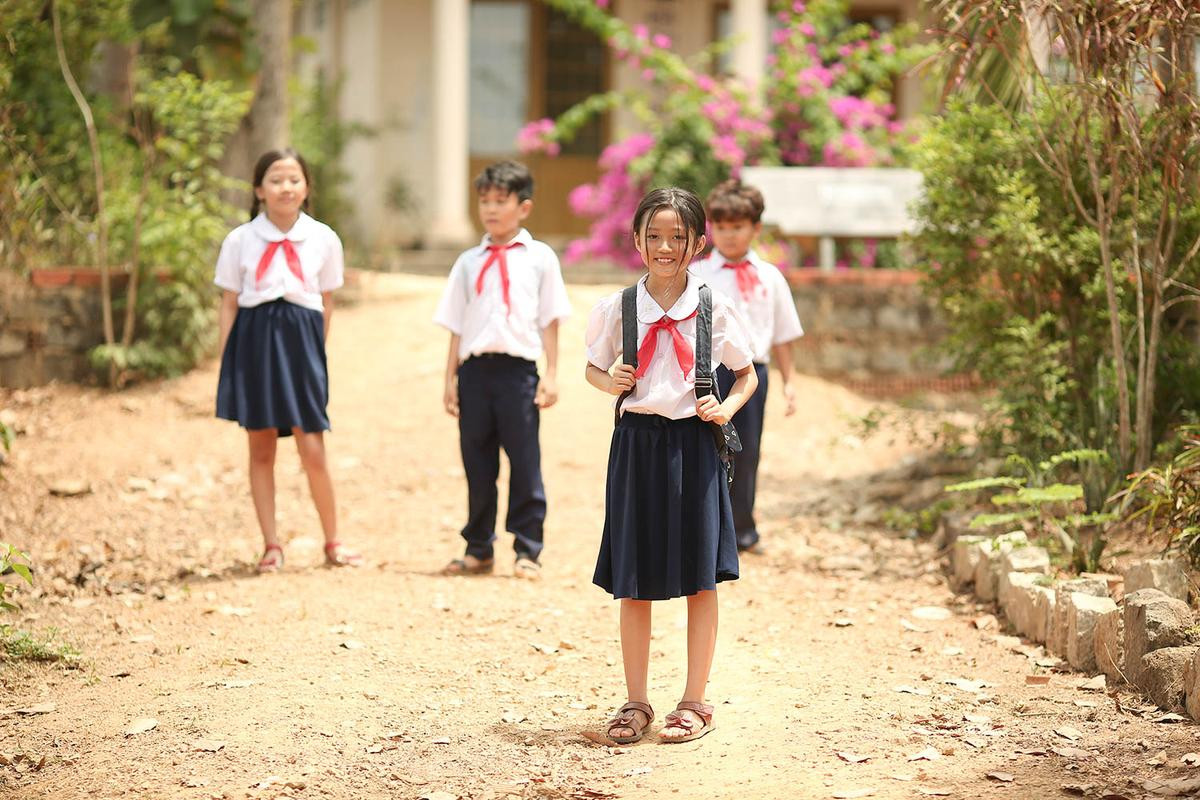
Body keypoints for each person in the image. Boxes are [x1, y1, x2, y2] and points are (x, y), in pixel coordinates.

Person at [584, 187, 758, 744]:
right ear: (636, 241)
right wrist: (608, 379)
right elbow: (593, 370)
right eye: (653, 236)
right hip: (636, 447)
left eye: (677, 238)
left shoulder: (714, 307)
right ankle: (636, 701)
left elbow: (747, 373)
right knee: (633, 580)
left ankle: (695, 701)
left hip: (695, 448)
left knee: (699, 579)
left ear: (698, 244)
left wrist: (724, 406)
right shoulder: (617, 308)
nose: (665, 247)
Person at [214, 148, 361, 573]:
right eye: (275, 179)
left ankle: (333, 540)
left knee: (311, 445)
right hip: (254, 342)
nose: (285, 187)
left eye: (294, 179)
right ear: (259, 189)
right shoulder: (239, 240)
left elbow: (327, 301)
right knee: (260, 446)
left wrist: (316, 351)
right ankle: (271, 545)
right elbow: (228, 303)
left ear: (307, 187)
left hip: (302, 343)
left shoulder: (324, 238)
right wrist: (230, 360)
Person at [433, 160, 571, 580]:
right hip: (475, 373)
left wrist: (551, 373)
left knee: (524, 461)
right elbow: (457, 324)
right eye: (485, 201)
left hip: (519, 374)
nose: (491, 210)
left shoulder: (540, 258)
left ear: (523, 207)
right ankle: (478, 549)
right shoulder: (468, 262)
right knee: (477, 463)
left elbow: (549, 319)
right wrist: (450, 379)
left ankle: (528, 548)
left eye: (501, 201)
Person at [692, 179, 804, 554]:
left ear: (756, 228)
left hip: (752, 377)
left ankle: (742, 529)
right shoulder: (699, 275)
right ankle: (705, 528)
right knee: (704, 448)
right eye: (720, 227)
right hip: (708, 375)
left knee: (746, 449)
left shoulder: (771, 277)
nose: (728, 235)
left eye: (737, 226)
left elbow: (783, 335)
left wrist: (790, 382)